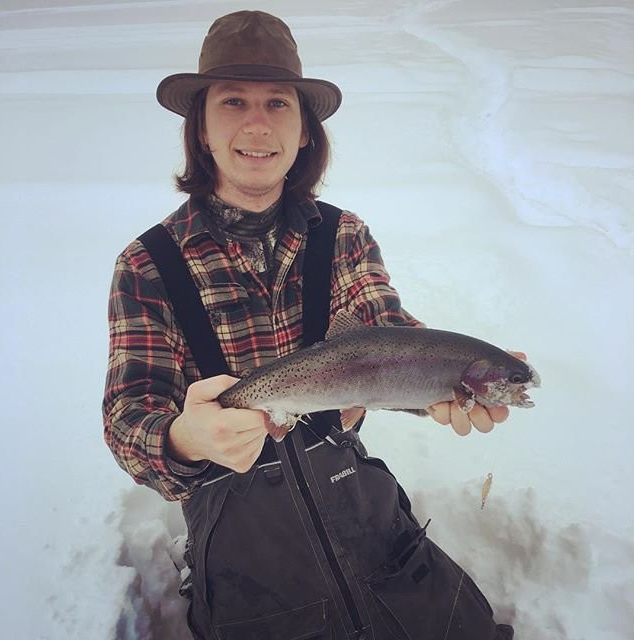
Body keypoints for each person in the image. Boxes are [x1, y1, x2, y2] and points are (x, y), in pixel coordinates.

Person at [103, 10, 515, 640]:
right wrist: (188, 438)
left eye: (279, 103)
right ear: (203, 129)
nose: (258, 122)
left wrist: (445, 375)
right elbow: (128, 420)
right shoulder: (147, 265)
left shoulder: (343, 233)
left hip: (363, 510)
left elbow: (384, 329)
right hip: (240, 544)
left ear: (303, 133)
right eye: (233, 101)